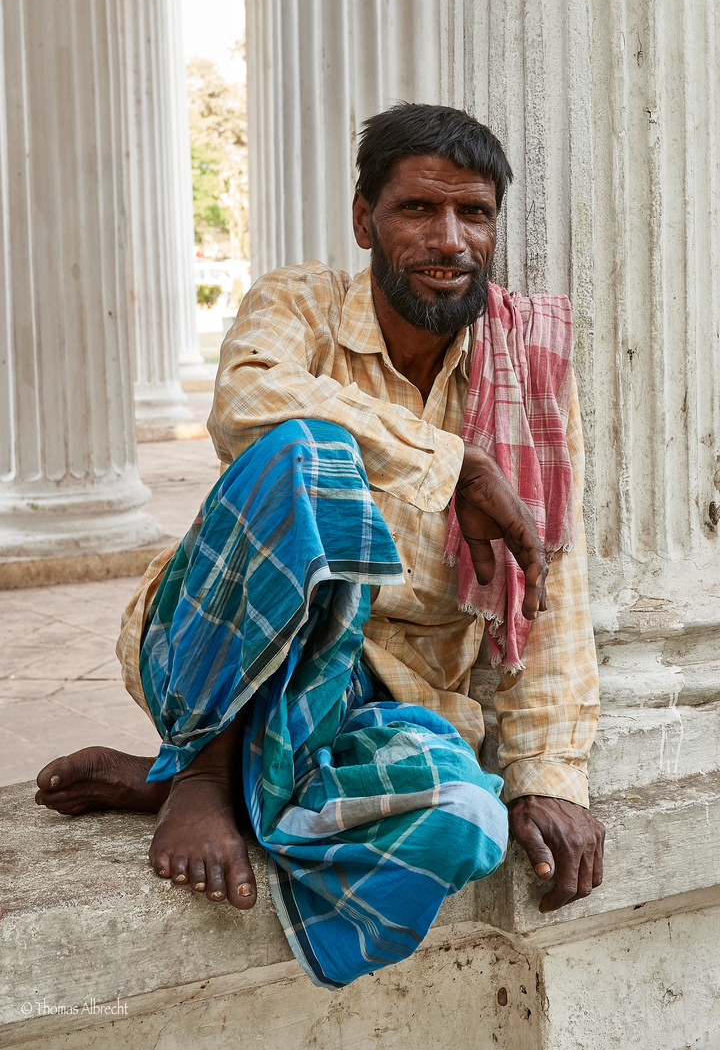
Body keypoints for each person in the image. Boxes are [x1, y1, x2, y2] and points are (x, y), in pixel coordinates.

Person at [35, 103, 604, 990]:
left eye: (475, 214)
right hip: (216, 642)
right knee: (309, 454)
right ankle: (204, 770)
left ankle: (221, 786)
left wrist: (550, 775)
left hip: (363, 698)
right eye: (418, 209)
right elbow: (247, 401)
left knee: (468, 821)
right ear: (363, 217)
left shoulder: (524, 366)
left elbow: (546, 583)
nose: (449, 239)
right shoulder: (300, 301)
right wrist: (451, 461)